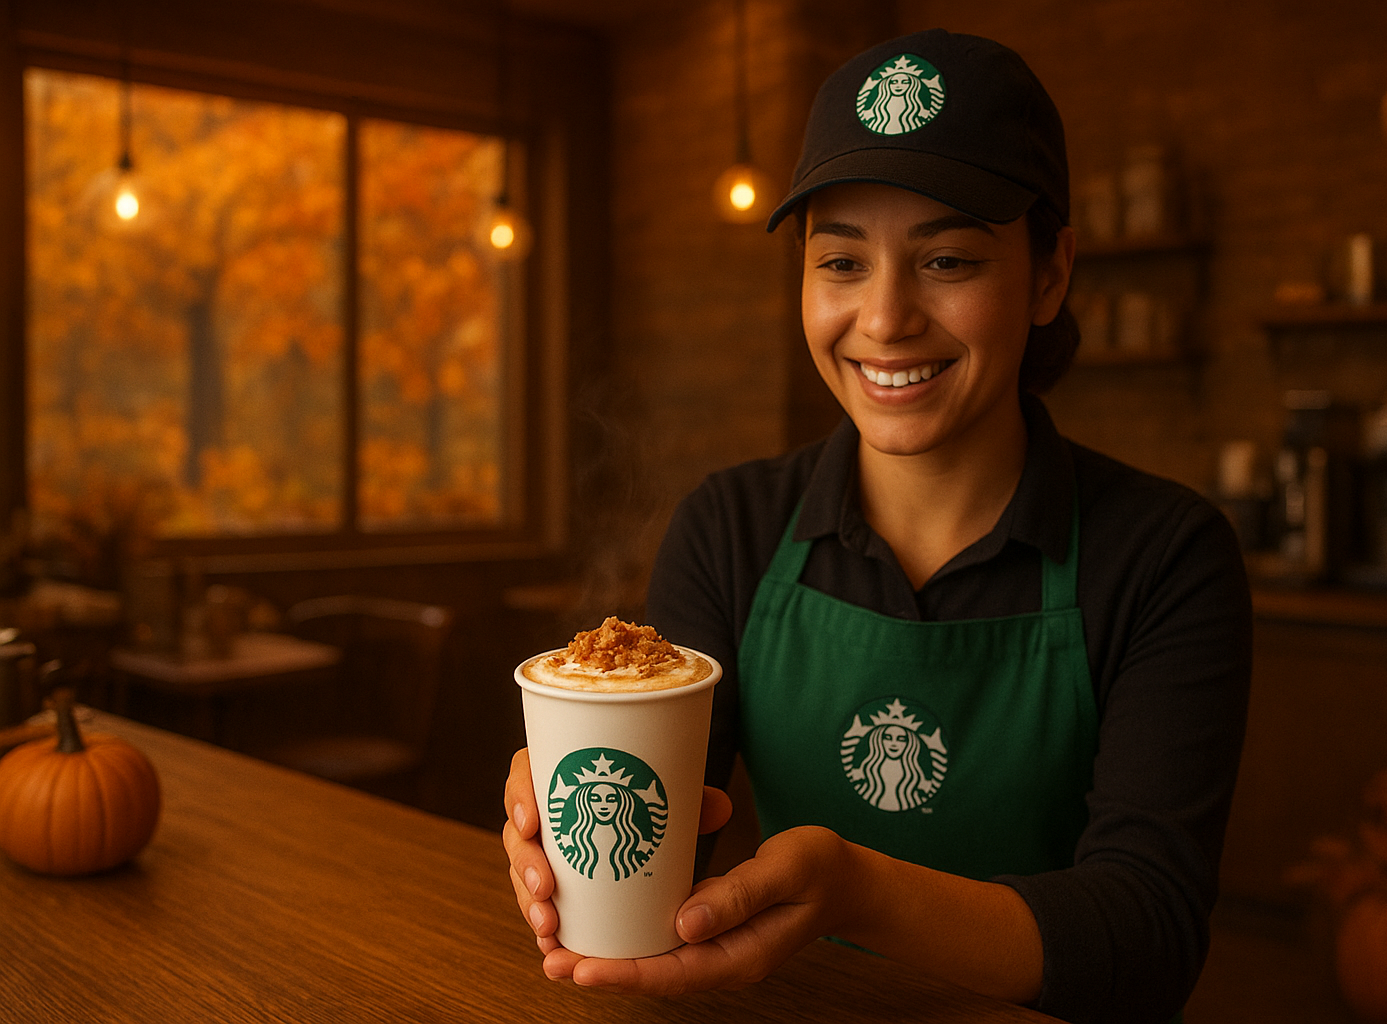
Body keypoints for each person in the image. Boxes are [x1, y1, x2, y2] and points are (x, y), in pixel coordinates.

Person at [504, 28, 1251, 1024]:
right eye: (842, 261)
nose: (887, 318)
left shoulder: (1165, 557)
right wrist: (575, 794)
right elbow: (678, 846)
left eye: (946, 258)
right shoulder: (728, 527)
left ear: (1049, 273)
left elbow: (1147, 937)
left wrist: (862, 894)